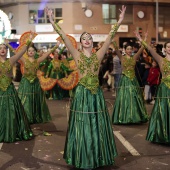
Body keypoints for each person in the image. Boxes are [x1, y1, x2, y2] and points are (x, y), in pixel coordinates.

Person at [45, 5, 126, 169]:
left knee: (98, 124)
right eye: (84, 38)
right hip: (82, 93)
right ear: (81, 43)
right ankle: (83, 155)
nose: (87, 39)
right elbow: (64, 37)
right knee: (82, 124)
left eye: (89, 37)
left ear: (92, 41)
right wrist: (52, 21)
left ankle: (98, 155)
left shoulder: (99, 54)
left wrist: (120, 20)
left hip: (96, 94)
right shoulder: (76, 54)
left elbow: (110, 37)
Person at [135, 32, 170, 144]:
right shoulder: (160, 59)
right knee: (163, 111)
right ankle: (162, 134)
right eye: (168, 47)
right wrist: (141, 40)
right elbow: (150, 49)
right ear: (165, 48)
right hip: (164, 89)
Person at [0, 33, 33, 143]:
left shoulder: (11, 60)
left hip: (9, 91)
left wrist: (30, 40)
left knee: (12, 112)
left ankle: (10, 131)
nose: (3, 49)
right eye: (0, 48)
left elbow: (22, 51)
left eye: (4, 48)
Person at [17, 43, 59, 124]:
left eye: (33, 50)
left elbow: (47, 54)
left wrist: (55, 47)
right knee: (26, 99)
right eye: (29, 51)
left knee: (35, 98)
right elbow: (16, 53)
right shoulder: (24, 59)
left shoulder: (38, 60)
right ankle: (27, 117)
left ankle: (35, 116)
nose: (31, 52)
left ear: (35, 52)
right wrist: (8, 45)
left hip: (35, 82)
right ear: (26, 52)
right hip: (26, 82)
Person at [112, 37, 148, 124]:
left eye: (130, 49)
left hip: (133, 80)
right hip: (124, 80)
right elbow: (116, 49)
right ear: (124, 50)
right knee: (124, 98)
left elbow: (142, 48)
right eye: (127, 49)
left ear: (132, 50)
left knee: (134, 97)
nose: (129, 50)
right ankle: (123, 117)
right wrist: (113, 38)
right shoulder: (121, 57)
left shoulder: (135, 57)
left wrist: (144, 38)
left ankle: (135, 117)